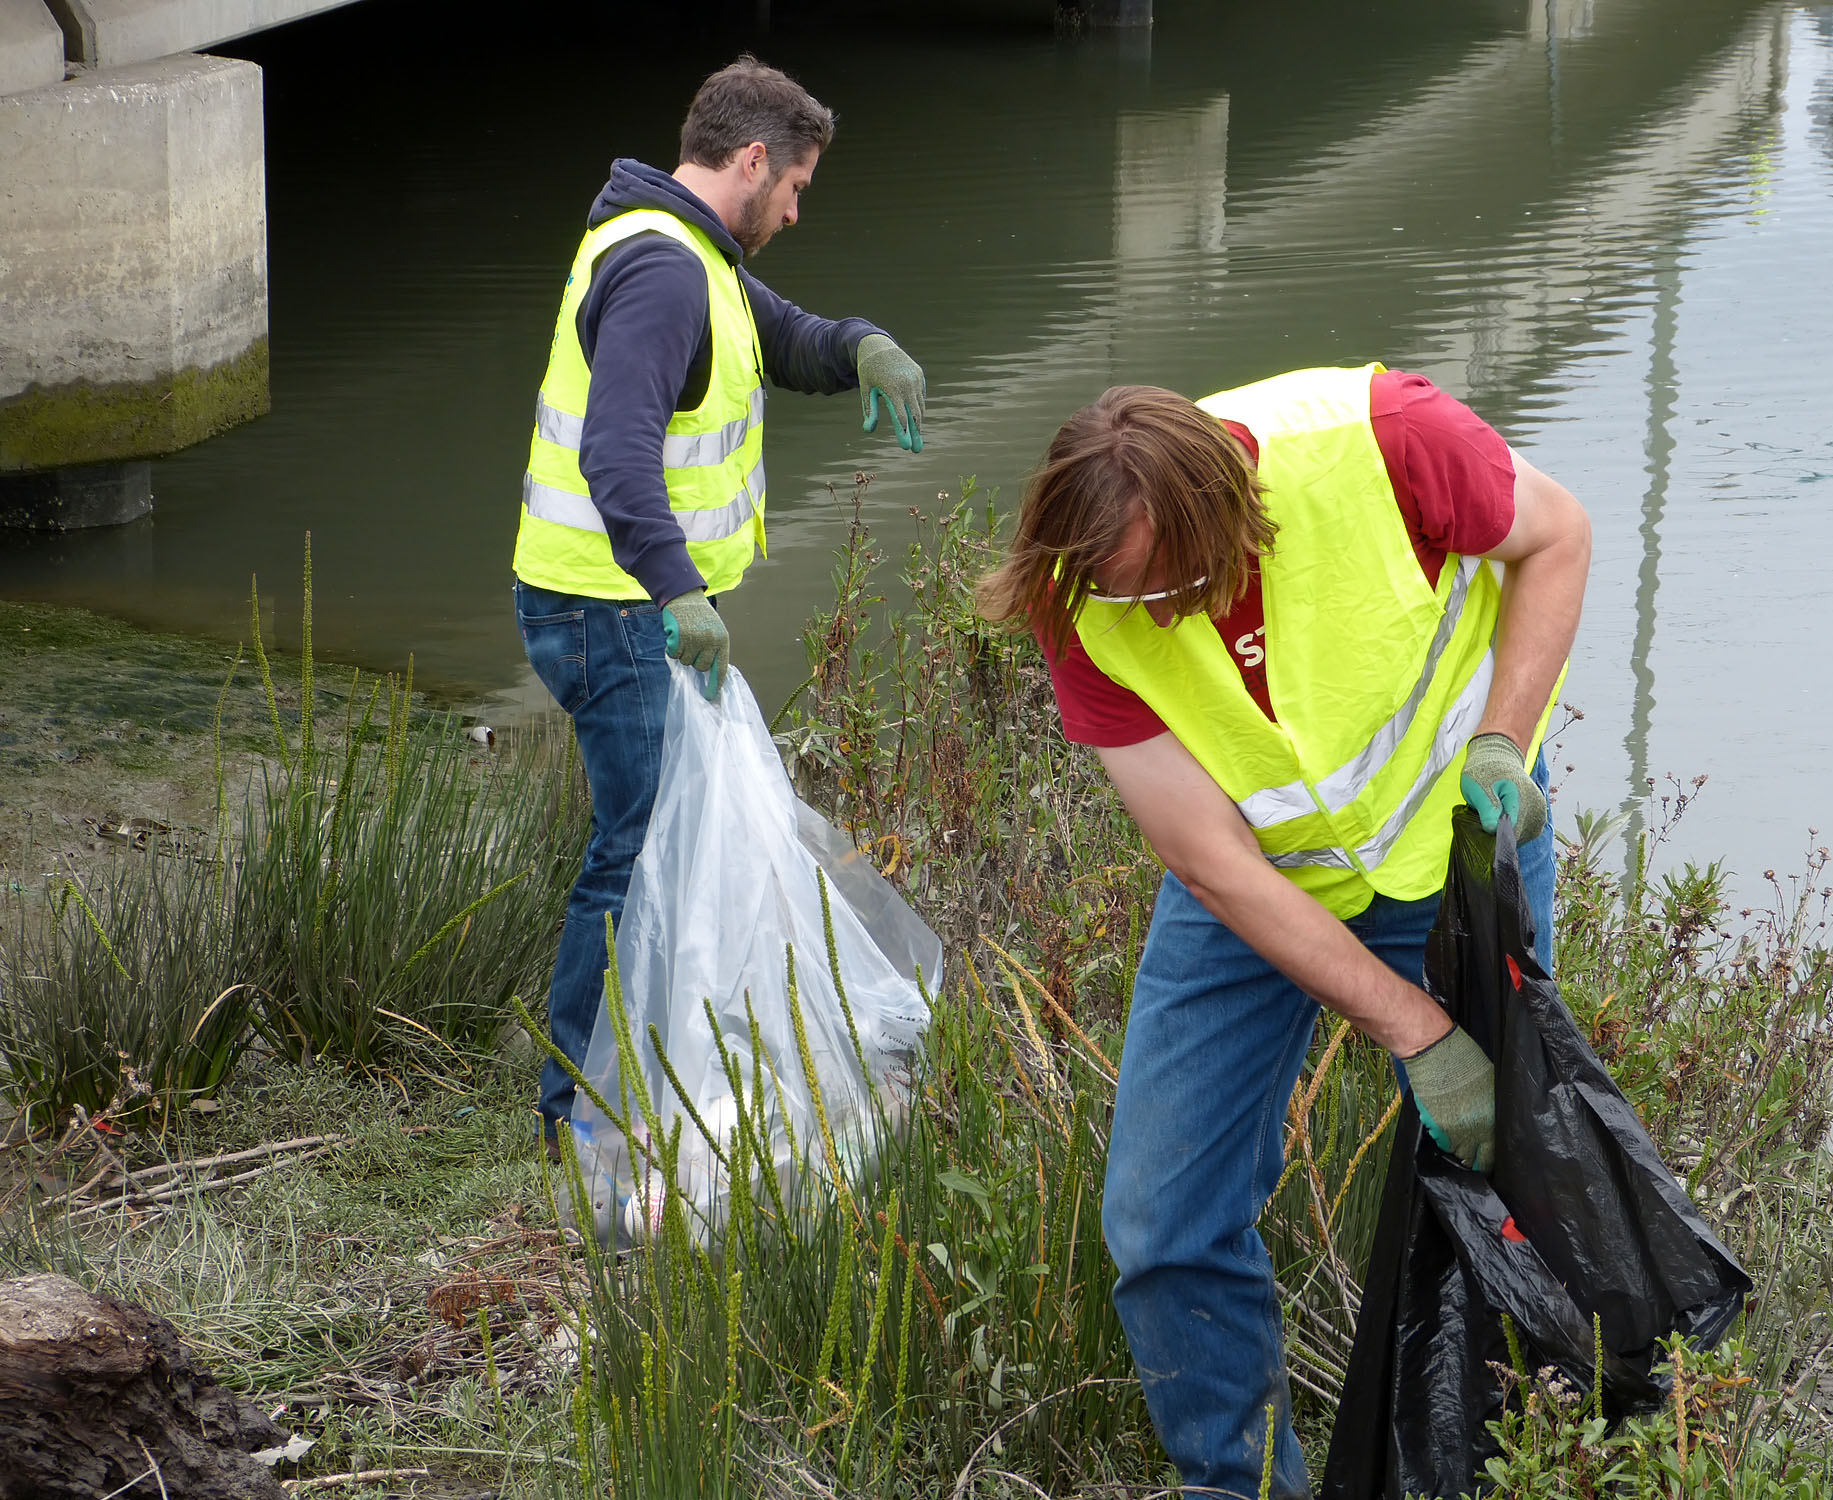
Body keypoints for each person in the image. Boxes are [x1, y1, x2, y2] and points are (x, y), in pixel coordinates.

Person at [976, 365, 1590, 1500]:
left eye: (1177, 582)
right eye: (1126, 595)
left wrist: (1503, 740)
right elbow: (1211, 864)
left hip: (1449, 845)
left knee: (1511, 1182)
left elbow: (1557, 536)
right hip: (1260, 878)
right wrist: (1413, 1030)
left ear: (1231, 511)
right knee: (1162, 1221)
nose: (1158, 616)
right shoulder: (1078, 596)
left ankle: (1530, 1463)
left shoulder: (1386, 440)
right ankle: (1242, 1484)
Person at [513, 56, 928, 1163]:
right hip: (610, 607)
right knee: (637, 849)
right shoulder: (662, 270)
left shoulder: (692, 251)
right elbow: (615, 453)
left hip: (620, 601)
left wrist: (861, 346)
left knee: (653, 841)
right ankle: (574, 1112)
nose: (795, 210)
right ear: (751, 160)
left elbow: (782, 338)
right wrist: (676, 589)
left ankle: (626, 1078)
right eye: (793, 186)